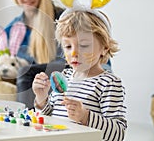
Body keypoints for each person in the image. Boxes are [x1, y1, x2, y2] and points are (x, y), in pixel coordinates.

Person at [32, 9, 127, 141]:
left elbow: (118, 133)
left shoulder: (109, 83)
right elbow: (49, 118)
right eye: (68, 46)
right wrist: (41, 99)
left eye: (84, 45)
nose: (74, 53)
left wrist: (85, 117)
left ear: (105, 48)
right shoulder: (63, 76)